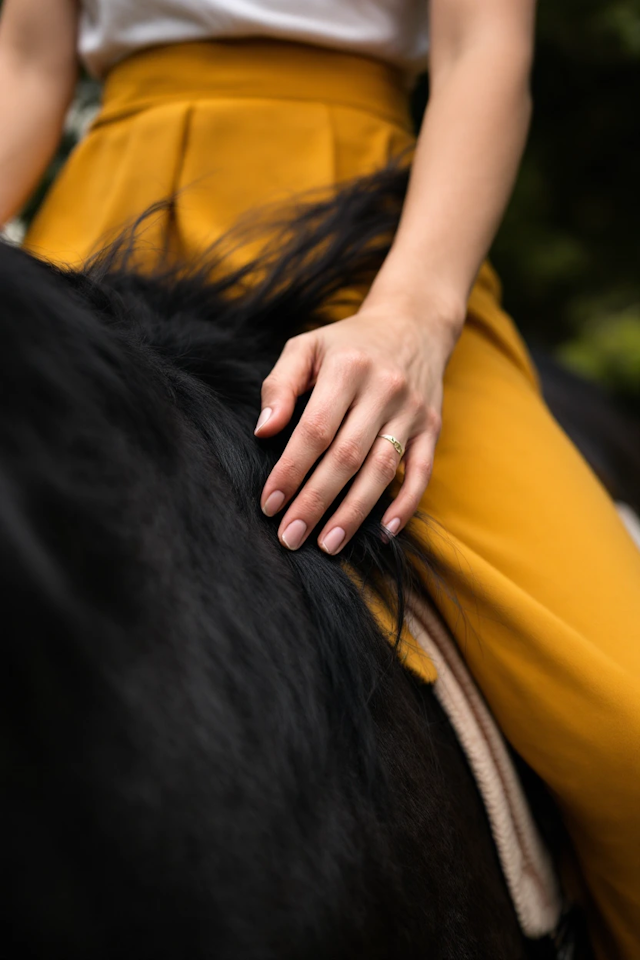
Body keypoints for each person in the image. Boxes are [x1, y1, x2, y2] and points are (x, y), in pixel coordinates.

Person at [0, 1, 638, 955]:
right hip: (99, 246)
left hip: (368, 248)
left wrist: (416, 319)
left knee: (625, 725)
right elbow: (25, 63)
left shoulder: (404, 296)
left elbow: (484, 50)